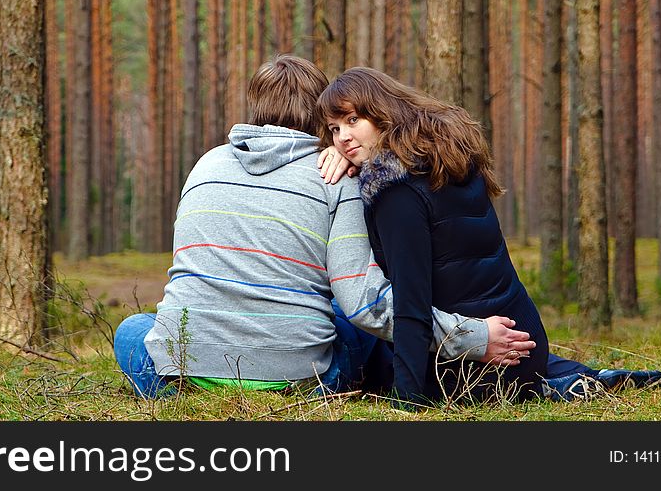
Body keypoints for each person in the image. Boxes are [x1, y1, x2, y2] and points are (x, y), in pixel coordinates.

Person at [113, 56, 537, 398]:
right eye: (335, 127)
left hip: (187, 364)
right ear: (320, 115)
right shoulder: (337, 179)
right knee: (341, 313)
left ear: (255, 106)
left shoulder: (206, 164)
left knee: (133, 330)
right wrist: (474, 335)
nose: (342, 136)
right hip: (300, 380)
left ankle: (178, 391)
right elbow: (366, 306)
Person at [317, 67, 661, 406]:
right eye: (334, 129)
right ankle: (580, 377)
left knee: (355, 328)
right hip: (526, 343)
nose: (343, 137)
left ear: (383, 112)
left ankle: (553, 385)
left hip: (474, 369)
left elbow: (412, 307)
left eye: (353, 120)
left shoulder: (396, 192)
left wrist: (406, 400)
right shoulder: (446, 156)